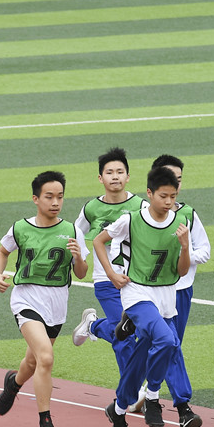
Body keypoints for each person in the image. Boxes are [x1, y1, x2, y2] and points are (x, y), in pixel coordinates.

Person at [89, 167, 193, 427]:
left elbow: (182, 271)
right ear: (149, 194)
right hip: (137, 294)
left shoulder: (180, 223)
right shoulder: (131, 220)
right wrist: (111, 274)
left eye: (173, 196)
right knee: (168, 342)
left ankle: (119, 410)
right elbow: (99, 242)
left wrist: (185, 247)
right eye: (163, 196)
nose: (168, 202)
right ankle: (153, 398)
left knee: (139, 362)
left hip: (166, 297)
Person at [0, 171, 89, 427]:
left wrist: (79, 257)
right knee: (45, 357)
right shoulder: (21, 228)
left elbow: (81, 273)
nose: (55, 202)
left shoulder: (72, 231)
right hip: (26, 298)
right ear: (36, 199)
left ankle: (14, 384)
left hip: (57, 304)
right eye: (49, 196)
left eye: (60, 196)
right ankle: (45, 424)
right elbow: (2, 251)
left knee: (33, 361)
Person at [124, 154, 210, 427]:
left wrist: (183, 253)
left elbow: (205, 251)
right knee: (169, 345)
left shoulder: (187, 215)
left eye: (179, 182)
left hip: (179, 291)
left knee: (169, 345)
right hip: (146, 291)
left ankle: (98, 328)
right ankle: (181, 407)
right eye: (168, 186)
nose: (173, 192)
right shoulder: (140, 215)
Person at [69, 148, 144, 377]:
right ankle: (130, 391)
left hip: (135, 280)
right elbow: (76, 235)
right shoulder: (91, 208)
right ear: (100, 178)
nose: (115, 176)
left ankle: (93, 326)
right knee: (125, 334)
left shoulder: (141, 206)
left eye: (120, 172)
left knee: (137, 330)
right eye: (109, 172)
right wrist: (78, 260)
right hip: (106, 280)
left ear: (128, 177)